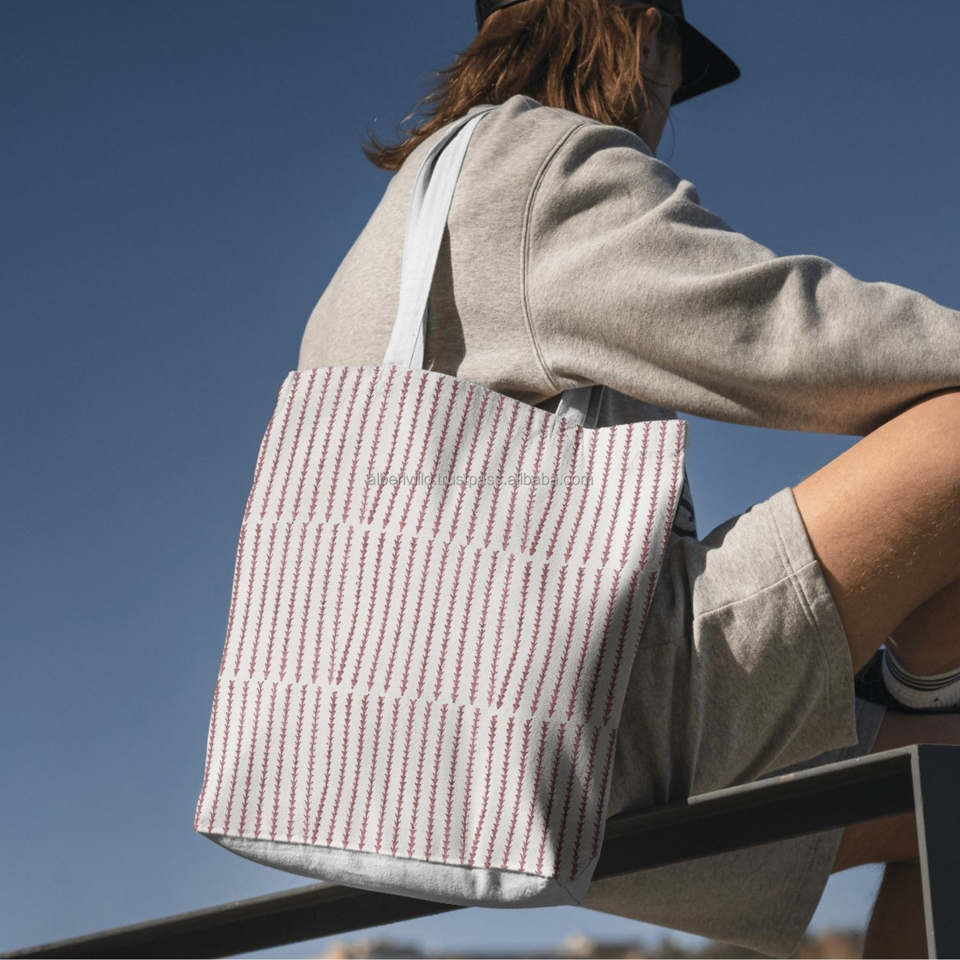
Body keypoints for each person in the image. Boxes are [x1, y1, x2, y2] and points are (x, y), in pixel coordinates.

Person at [297, 1, 960, 955]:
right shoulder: (538, 167)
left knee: (945, 790)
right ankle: (928, 690)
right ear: (647, 39)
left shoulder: (394, 230)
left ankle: (929, 698)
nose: (665, 110)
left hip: (434, 753)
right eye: (677, 78)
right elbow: (788, 333)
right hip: (597, 721)